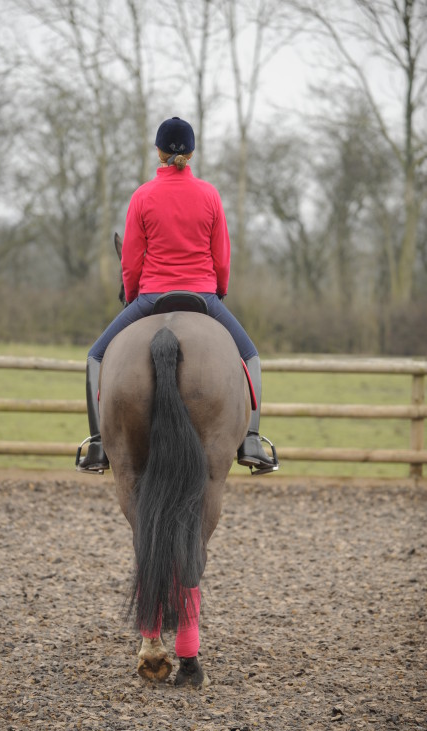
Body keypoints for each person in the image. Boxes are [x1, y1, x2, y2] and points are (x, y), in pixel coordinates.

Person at [79, 116, 276, 474]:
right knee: (250, 357)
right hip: (204, 295)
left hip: (151, 296)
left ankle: (97, 444)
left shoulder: (142, 196)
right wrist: (219, 291)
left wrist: (136, 291)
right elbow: (222, 256)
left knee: (95, 356)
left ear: (158, 152)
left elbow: (131, 258)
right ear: (192, 153)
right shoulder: (210, 194)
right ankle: (250, 439)